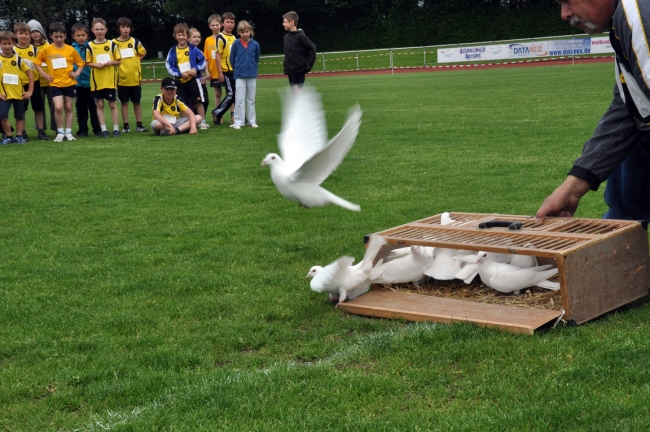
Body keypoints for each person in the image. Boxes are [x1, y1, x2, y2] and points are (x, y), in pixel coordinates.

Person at [535, 0, 650, 227]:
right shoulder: (625, 19)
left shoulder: (636, 14)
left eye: (568, 1)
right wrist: (572, 188)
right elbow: (630, 109)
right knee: (623, 209)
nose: (564, 14)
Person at [34, 23, 85, 142]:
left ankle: (68, 132)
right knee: (58, 107)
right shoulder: (46, 49)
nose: (59, 39)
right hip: (55, 84)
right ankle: (60, 132)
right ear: (51, 36)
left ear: (65, 36)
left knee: (68, 107)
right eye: (56, 37)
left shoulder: (70, 49)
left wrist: (76, 74)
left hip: (69, 83)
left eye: (61, 37)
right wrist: (45, 75)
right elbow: (37, 63)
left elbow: (81, 63)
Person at [86, 18, 122, 138]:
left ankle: (116, 129)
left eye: (102, 29)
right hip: (97, 81)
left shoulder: (112, 44)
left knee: (112, 105)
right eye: (97, 29)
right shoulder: (90, 45)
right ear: (92, 30)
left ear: (106, 30)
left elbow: (119, 61)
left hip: (110, 80)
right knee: (100, 105)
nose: (99, 31)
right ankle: (104, 129)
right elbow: (87, 62)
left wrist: (111, 62)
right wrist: (96, 64)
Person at [13, 22, 47, 141]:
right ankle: (22, 132)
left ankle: (41, 132)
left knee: (38, 108)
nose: (24, 36)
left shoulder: (35, 49)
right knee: (22, 109)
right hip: (20, 84)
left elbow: (39, 65)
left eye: (26, 33)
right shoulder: (13, 50)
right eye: (21, 33)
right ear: (15, 35)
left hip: (35, 82)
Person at [113, 17, 148, 133]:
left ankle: (139, 125)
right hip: (121, 79)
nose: (125, 29)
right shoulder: (113, 43)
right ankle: (126, 126)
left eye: (127, 27)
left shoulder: (135, 42)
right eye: (123, 27)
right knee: (124, 103)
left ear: (131, 28)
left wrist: (137, 60)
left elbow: (143, 52)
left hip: (135, 78)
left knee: (137, 102)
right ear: (119, 29)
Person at [165, 23, 206, 117]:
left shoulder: (194, 49)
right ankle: (186, 122)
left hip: (193, 81)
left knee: (198, 102)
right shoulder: (172, 51)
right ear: (175, 36)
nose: (181, 37)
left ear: (187, 36)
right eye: (179, 35)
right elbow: (168, 65)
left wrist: (195, 69)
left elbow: (203, 61)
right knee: (182, 104)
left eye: (184, 35)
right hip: (180, 82)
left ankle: (202, 121)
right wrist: (179, 74)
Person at [0, 30, 34, 144]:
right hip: (4, 95)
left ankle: (19, 136)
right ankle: (8, 136)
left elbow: (30, 75)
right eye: (4, 44)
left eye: (9, 43)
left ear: (14, 43)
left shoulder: (18, 59)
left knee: (20, 116)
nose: (7, 46)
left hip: (19, 94)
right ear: (0, 44)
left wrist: (29, 91)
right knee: (2, 115)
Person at [71, 23, 101, 137]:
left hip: (92, 83)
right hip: (78, 84)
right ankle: (82, 130)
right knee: (81, 108)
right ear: (73, 36)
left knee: (94, 107)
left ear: (87, 35)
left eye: (83, 35)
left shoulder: (92, 47)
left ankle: (97, 129)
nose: (81, 37)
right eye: (78, 35)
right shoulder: (71, 49)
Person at [229, 20, 260, 130]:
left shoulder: (255, 44)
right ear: (239, 33)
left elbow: (256, 58)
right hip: (239, 75)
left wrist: (252, 68)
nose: (245, 34)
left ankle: (252, 121)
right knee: (239, 100)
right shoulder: (236, 44)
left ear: (250, 31)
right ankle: (238, 122)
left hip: (251, 75)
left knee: (251, 100)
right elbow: (232, 59)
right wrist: (237, 69)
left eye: (246, 31)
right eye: (242, 32)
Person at [28, 19, 56, 135]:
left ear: (41, 32)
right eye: (32, 32)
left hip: (51, 80)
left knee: (54, 107)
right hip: (37, 82)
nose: (35, 34)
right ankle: (41, 130)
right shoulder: (28, 47)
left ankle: (57, 128)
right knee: (40, 108)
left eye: (37, 31)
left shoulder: (49, 45)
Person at [210, 12, 236, 125]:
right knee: (231, 94)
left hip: (234, 70)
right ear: (222, 24)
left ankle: (238, 116)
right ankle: (217, 112)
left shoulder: (234, 37)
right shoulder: (220, 37)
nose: (230, 24)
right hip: (226, 71)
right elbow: (218, 56)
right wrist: (220, 72)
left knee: (236, 94)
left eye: (232, 22)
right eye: (227, 22)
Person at [282, 11, 316, 93]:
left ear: (292, 22)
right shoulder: (286, 37)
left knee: (298, 91)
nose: (283, 24)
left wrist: (310, 63)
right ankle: (299, 105)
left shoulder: (301, 36)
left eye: (285, 22)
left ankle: (302, 105)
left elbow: (312, 48)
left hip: (299, 69)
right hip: (290, 70)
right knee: (295, 91)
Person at [188, 27, 210, 129]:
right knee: (194, 102)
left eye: (198, 37)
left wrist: (203, 75)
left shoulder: (199, 51)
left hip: (200, 80)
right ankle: (193, 121)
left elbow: (203, 64)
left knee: (204, 100)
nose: (197, 39)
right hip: (190, 80)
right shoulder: (187, 51)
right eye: (194, 37)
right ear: (189, 38)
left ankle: (202, 120)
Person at [204, 14, 222, 112]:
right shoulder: (208, 40)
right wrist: (207, 71)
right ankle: (218, 114)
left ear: (221, 25)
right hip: (214, 72)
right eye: (213, 25)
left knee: (230, 93)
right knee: (217, 93)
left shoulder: (224, 37)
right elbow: (206, 57)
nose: (215, 27)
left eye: (217, 25)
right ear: (209, 26)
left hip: (225, 70)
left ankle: (233, 114)